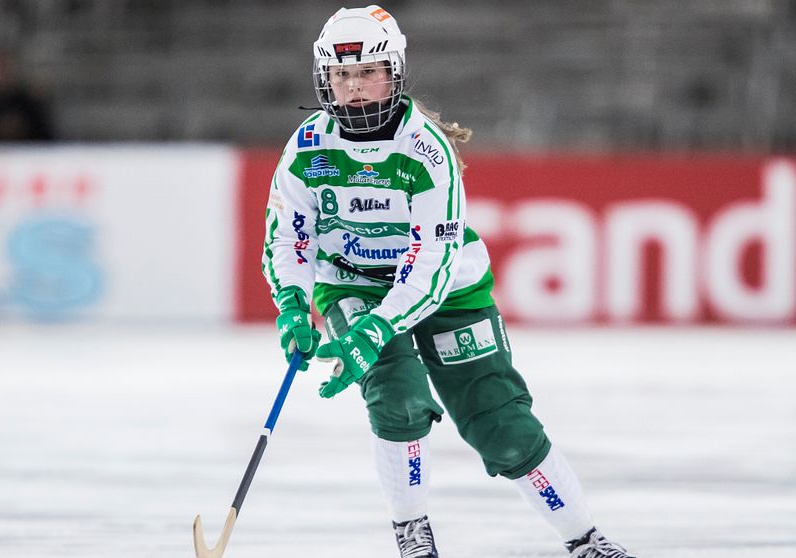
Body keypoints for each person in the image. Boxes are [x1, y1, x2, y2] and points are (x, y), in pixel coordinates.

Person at [261, 6, 637, 558]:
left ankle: (584, 538)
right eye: (342, 76)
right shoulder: (308, 149)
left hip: (446, 286)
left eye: (367, 71)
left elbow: (430, 264)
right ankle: (412, 532)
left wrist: (376, 330)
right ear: (325, 81)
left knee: (500, 422)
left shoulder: (425, 150)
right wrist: (292, 303)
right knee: (398, 399)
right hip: (353, 286)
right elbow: (290, 239)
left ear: (395, 72)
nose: (355, 87)